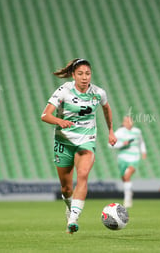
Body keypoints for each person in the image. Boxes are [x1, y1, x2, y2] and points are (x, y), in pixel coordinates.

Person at [41, 58, 117, 234]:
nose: (84, 77)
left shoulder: (98, 92)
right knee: (66, 188)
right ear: (73, 75)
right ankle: (69, 208)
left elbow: (106, 108)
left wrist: (111, 130)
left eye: (88, 74)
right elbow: (45, 115)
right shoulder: (63, 91)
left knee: (83, 175)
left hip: (86, 140)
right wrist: (60, 121)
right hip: (64, 141)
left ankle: (73, 219)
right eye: (80, 74)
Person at [110, 116, 147, 208]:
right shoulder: (119, 132)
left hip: (134, 157)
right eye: (127, 121)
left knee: (127, 176)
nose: (129, 123)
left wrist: (143, 151)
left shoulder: (137, 131)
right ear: (124, 122)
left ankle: (127, 199)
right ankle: (129, 191)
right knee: (124, 178)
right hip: (123, 158)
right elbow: (111, 145)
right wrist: (123, 144)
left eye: (130, 121)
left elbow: (141, 142)